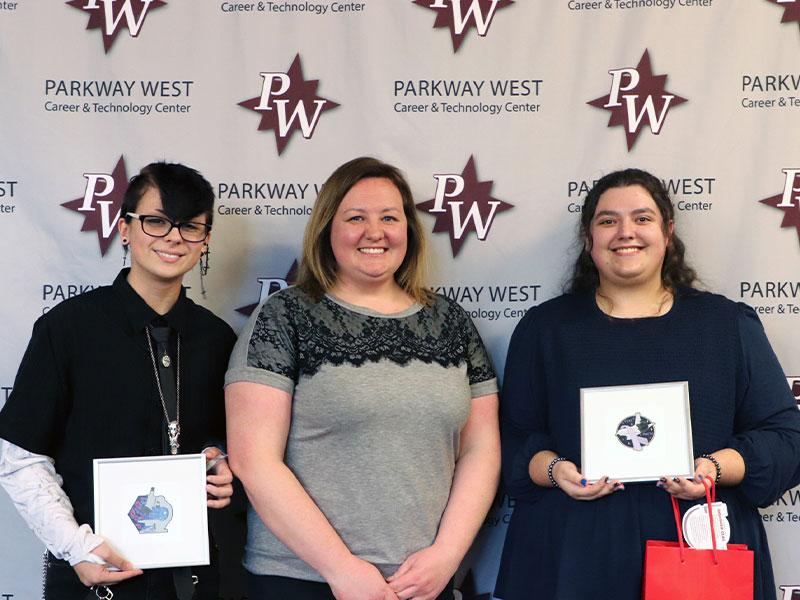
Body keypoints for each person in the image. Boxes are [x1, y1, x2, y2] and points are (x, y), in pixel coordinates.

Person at [494, 168, 800, 600]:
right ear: (588, 238)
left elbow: (786, 441)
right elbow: (509, 441)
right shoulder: (545, 329)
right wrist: (553, 470)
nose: (625, 232)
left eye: (642, 218)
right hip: (574, 554)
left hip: (698, 553)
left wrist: (712, 469)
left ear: (668, 231)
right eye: (607, 221)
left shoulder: (727, 325)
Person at [225, 157, 500, 600]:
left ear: (408, 230)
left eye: (389, 217)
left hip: (422, 584)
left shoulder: (452, 323)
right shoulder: (283, 317)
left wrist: (447, 555)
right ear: (327, 229)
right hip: (304, 581)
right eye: (356, 218)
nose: (375, 232)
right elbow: (255, 461)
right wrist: (342, 569)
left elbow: (480, 448)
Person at [0, 162, 237, 600]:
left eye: (190, 226)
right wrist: (76, 547)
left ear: (205, 241)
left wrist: (221, 463)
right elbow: (21, 455)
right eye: (157, 221)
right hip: (95, 579)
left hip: (195, 581)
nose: (173, 237)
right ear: (125, 229)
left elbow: (225, 442)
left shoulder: (219, 338)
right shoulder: (68, 328)